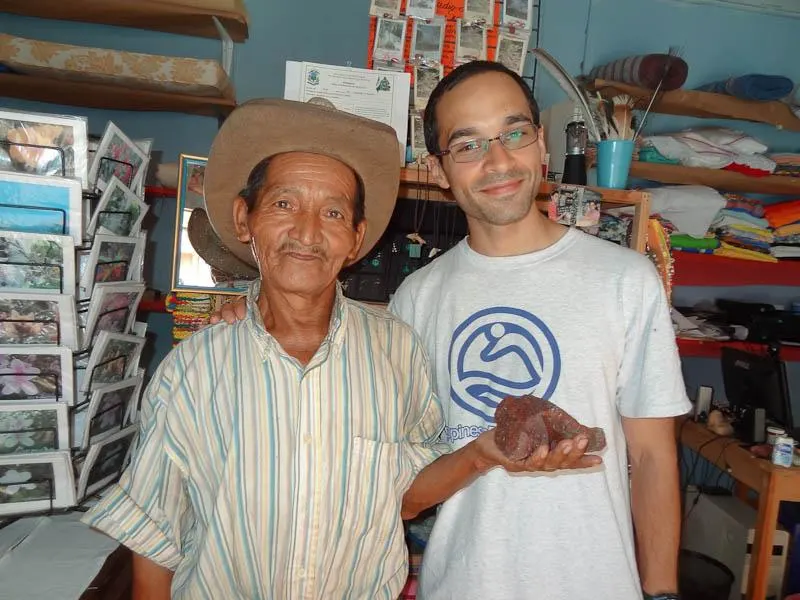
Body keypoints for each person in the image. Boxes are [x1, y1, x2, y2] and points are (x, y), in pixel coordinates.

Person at [213, 61, 689, 599]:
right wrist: (251, 317)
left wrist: (663, 593)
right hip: (462, 583)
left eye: (514, 133)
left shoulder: (625, 280)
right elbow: (393, 465)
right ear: (439, 171)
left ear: (542, 146)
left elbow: (652, 456)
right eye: (468, 145)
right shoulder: (418, 299)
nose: (499, 160)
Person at [83, 98, 451, 600]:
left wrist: (484, 455)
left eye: (334, 212)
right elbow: (155, 531)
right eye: (284, 204)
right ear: (244, 219)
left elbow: (411, 491)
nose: (307, 232)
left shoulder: (397, 352)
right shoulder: (194, 368)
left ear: (356, 238)